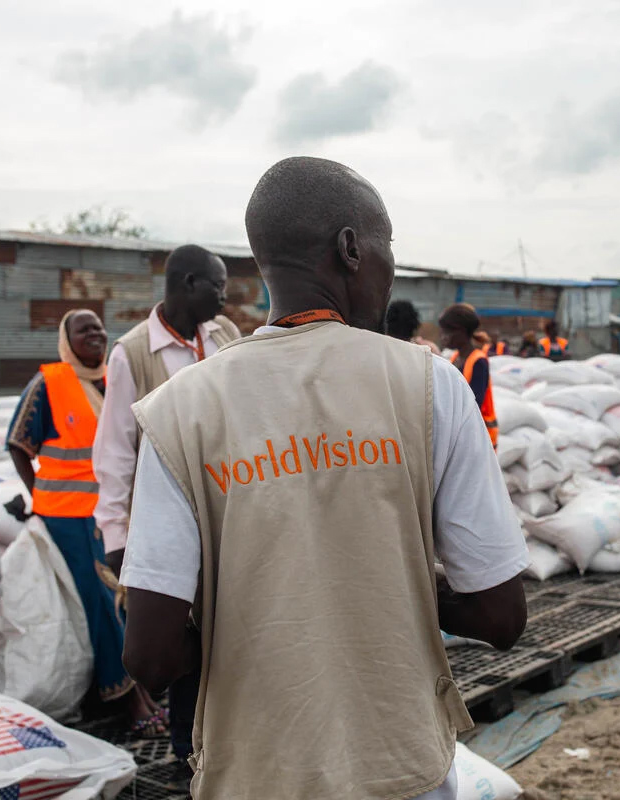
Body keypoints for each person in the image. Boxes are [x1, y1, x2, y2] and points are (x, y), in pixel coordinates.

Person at [120, 156, 528, 800]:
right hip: (402, 768)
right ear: (350, 248)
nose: (390, 272)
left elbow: (150, 656)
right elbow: (501, 615)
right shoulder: (430, 385)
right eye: (388, 249)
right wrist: (394, 586)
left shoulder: (179, 411)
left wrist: (250, 608)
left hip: (257, 776)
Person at [92, 244, 240, 778]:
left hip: (228, 508)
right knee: (181, 633)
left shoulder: (224, 336)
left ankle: (231, 734)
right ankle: (187, 752)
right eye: (218, 286)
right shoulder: (132, 354)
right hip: (172, 518)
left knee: (232, 624)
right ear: (188, 284)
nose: (224, 298)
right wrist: (117, 535)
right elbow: (115, 450)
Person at [5, 309, 164, 734]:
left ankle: (141, 687)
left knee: (130, 597)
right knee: (102, 599)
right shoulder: (50, 383)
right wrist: (37, 495)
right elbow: (18, 443)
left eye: (98, 327)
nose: (95, 334)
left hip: (115, 511)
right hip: (68, 516)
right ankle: (126, 699)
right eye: (84, 329)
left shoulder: (114, 379)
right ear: (66, 340)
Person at [440, 303, 499, 449]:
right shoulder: (455, 358)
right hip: (463, 435)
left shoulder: (478, 362)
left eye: (447, 332)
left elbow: (474, 405)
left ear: (461, 331)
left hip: (479, 437)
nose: (443, 337)